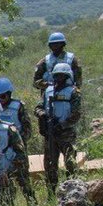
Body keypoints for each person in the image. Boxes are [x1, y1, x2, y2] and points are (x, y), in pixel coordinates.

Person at [35, 63, 83, 196]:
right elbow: (38, 107)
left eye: (61, 76)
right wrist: (42, 114)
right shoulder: (47, 91)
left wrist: (62, 125)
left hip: (66, 134)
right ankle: (51, 193)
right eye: (56, 76)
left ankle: (72, 192)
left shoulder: (73, 92)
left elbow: (76, 114)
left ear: (67, 77)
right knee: (50, 165)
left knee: (70, 163)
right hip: (50, 134)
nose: (58, 78)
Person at [0, 77, 36, 205]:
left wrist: (15, 142)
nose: (1, 100)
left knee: (24, 182)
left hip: (17, 152)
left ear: (9, 94)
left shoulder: (18, 107)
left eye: (3, 96)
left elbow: (27, 131)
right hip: (1, 154)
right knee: (5, 186)